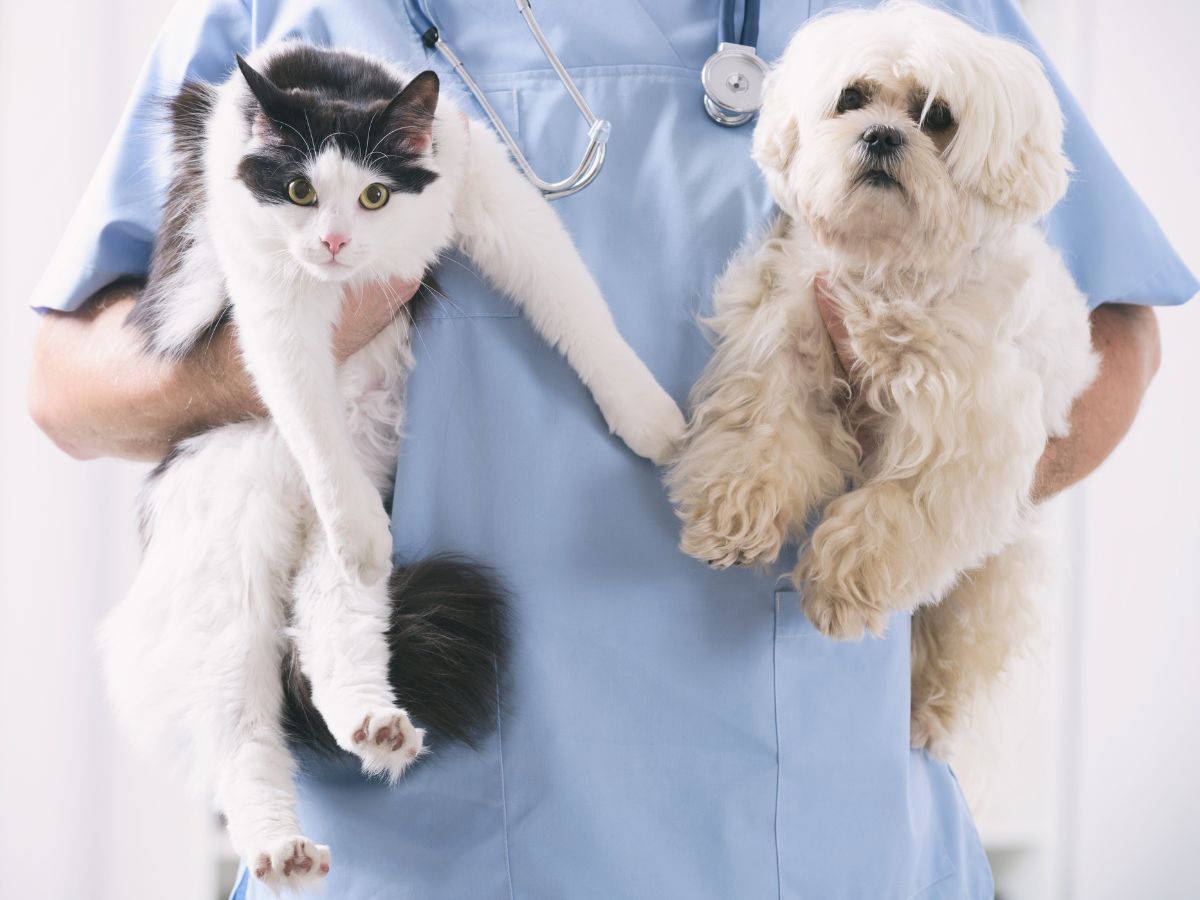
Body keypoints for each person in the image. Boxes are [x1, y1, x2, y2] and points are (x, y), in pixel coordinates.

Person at [27, 0, 1195, 897]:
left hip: (805, 830)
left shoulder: (905, 22)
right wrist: (289, 342)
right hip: (410, 829)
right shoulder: (308, 11)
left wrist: (944, 471)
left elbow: (1113, 333)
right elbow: (68, 385)